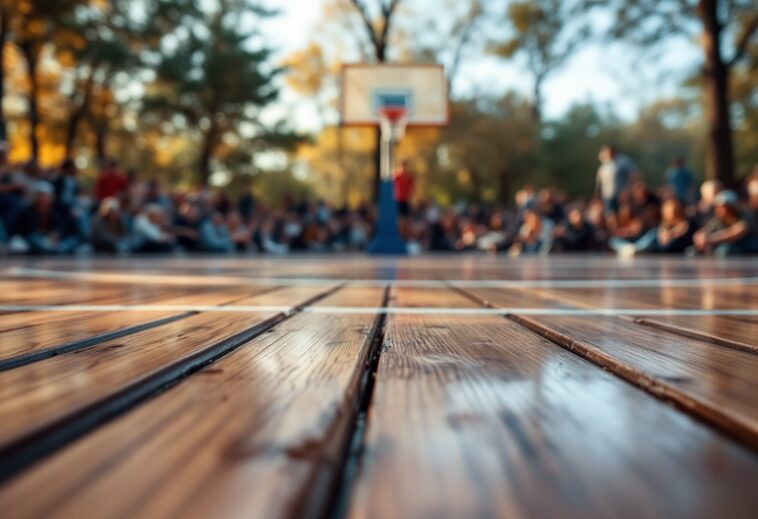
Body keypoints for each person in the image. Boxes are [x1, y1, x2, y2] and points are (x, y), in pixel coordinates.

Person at [12, 181, 80, 254]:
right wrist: (46, 236)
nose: (44, 199)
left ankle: (58, 248)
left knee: (73, 239)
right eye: (41, 196)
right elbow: (27, 230)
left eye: (47, 196)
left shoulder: (59, 210)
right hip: (38, 238)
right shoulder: (27, 211)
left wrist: (57, 234)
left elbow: (64, 226)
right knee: (34, 239)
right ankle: (51, 249)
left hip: (57, 239)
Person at [610, 198, 692, 256]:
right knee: (613, 240)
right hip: (652, 243)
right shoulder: (665, 223)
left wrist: (670, 234)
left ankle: (635, 248)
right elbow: (662, 231)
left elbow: (681, 230)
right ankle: (628, 248)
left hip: (665, 248)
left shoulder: (683, 223)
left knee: (654, 233)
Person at [693, 190, 758, 256]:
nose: (718, 209)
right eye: (717, 206)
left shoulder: (746, 216)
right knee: (692, 251)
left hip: (747, 249)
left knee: (725, 250)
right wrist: (701, 238)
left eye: (722, 206)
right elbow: (702, 232)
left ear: (731, 207)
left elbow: (736, 232)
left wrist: (710, 239)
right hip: (725, 245)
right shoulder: (718, 220)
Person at [595, 145, 635, 215]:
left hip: (622, 196)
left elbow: (633, 176)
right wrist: (598, 198)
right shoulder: (603, 166)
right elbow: (599, 184)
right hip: (607, 196)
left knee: (624, 215)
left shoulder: (623, 161)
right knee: (610, 216)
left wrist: (627, 191)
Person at [394, 160, 414, 239]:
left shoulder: (409, 177)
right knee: (400, 219)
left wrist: (411, 199)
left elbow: (411, 189)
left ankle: (405, 237)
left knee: (406, 220)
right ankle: (400, 236)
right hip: (399, 200)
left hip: (406, 200)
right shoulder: (397, 176)